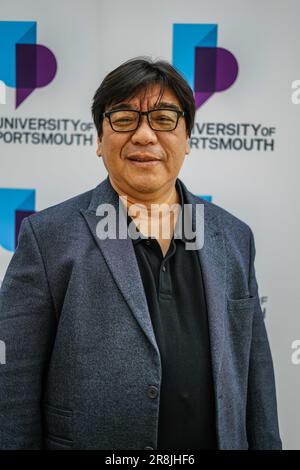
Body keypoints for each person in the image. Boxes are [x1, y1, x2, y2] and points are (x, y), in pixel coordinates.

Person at [0, 58, 281, 450]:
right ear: (100, 139)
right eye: (124, 118)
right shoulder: (48, 239)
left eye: (164, 119)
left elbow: (256, 383)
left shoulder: (233, 237)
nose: (145, 135)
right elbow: (12, 390)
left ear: (187, 139)